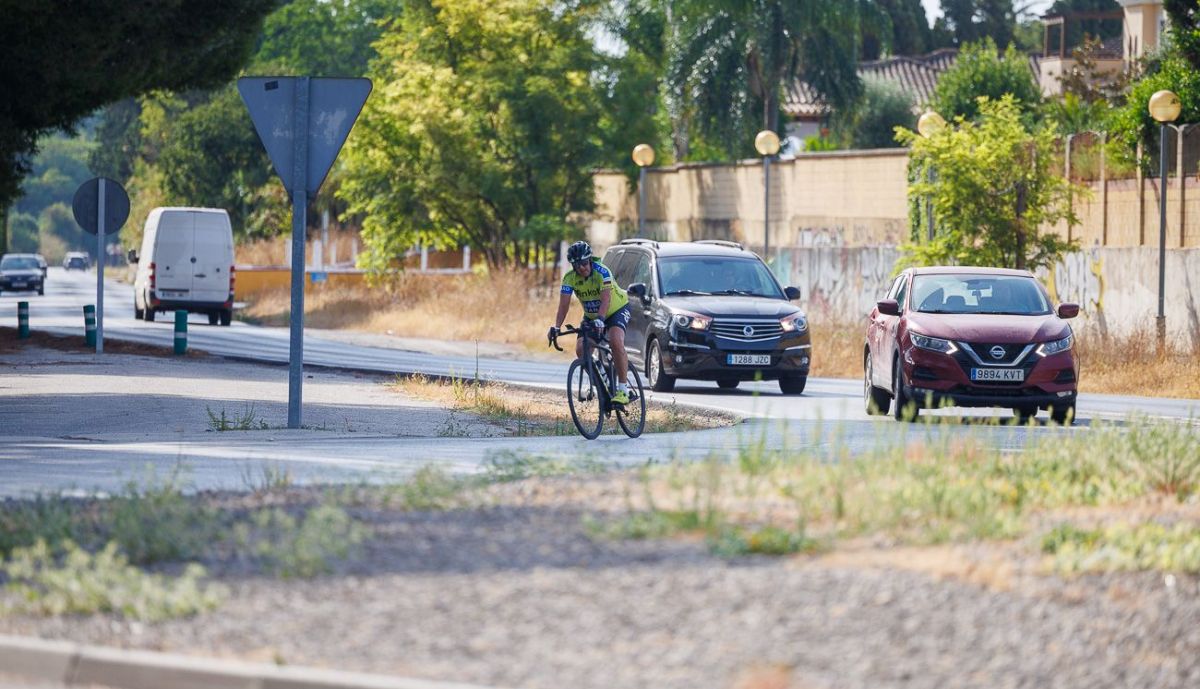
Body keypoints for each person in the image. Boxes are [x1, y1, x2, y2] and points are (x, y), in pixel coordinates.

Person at [550, 241, 632, 404]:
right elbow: (563, 305)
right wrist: (556, 327)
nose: (582, 268)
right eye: (577, 265)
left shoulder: (602, 272)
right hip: (592, 316)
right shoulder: (569, 278)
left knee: (616, 342)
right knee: (581, 349)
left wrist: (601, 320)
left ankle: (623, 390)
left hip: (616, 310)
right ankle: (602, 380)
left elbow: (606, 299)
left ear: (590, 260)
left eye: (585, 263)